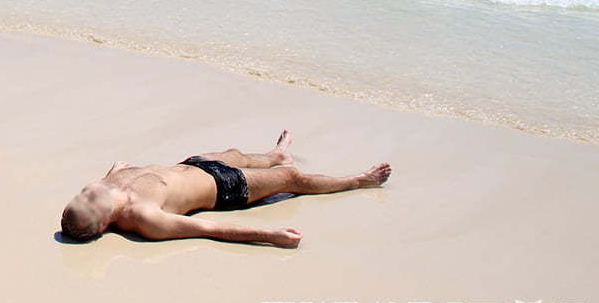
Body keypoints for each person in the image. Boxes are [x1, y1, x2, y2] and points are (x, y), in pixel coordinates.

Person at [60, 130, 390, 248]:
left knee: (237, 154)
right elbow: (210, 228)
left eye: (84, 194)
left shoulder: (97, 187)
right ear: (104, 224)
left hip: (193, 164)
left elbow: (113, 173)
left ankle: (275, 155)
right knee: (292, 180)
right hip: (226, 187)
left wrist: (117, 171)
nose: (91, 193)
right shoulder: (145, 219)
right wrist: (270, 236)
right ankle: (360, 180)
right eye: (91, 202)